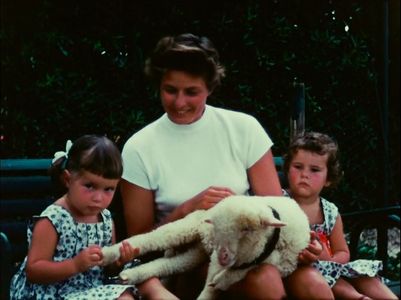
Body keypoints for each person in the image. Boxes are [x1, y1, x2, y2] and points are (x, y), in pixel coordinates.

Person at [120, 33, 333, 299]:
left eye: (192, 92)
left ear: (210, 87)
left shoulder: (243, 129)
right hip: (188, 263)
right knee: (265, 281)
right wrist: (187, 209)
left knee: (312, 283)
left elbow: (279, 212)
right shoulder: (140, 147)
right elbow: (140, 243)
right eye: (170, 90)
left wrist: (303, 247)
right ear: (158, 85)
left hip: (256, 251)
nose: (179, 102)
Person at [10, 135, 141, 300]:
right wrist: (74, 265)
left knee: (137, 290)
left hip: (91, 291)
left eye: (108, 189)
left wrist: (118, 261)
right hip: (51, 294)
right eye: (89, 186)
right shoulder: (53, 220)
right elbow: (34, 271)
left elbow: (106, 269)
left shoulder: (105, 218)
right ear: (67, 179)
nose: (98, 198)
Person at [283, 131, 398, 300]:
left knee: (363, 277)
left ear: (328, 179)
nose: (304, 174)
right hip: (299, 271)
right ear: (287, 169)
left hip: (328, 265)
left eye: (314, 169)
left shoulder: (330, 212)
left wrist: (331, 262)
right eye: (298, 167)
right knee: (330, 279)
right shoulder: (280, 201)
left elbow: (343, 251)